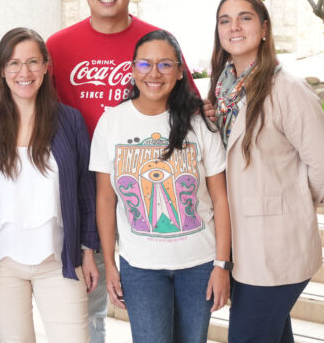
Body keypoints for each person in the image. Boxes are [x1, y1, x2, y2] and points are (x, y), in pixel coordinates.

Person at [45, 0, 199, 342]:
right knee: (87, 306)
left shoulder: (156, 42)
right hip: (85, 193)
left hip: (151, 194)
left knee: (154, 314)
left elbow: (192, 110)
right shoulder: (58, 46)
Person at [207, 0, 324, 342]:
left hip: (276, 246)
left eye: (245, 18)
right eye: (225, 20)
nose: (234, 27)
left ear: (264, 29)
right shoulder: (222, 92)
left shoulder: (287, 89)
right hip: (242, 245)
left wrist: (296, 200)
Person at [91, 30, 231, 343]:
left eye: (165, 64)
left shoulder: (199, 124)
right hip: (141, 267)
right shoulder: (112, 122)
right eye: (145, 64)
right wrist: (110, 264)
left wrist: (222, 265)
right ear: (132, 69)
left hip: (199, 264)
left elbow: (221, 199)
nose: (154, 73)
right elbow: (105, 200)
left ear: (180, 72)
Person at [0, 27, 100, 342]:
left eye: (33, 62)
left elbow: (87, 191)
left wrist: (88, 251)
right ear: (1, 70)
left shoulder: (70, 121)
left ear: (46, 66)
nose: (24, 72)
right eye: (13, 63)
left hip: (60, 261)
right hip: (2, 263)